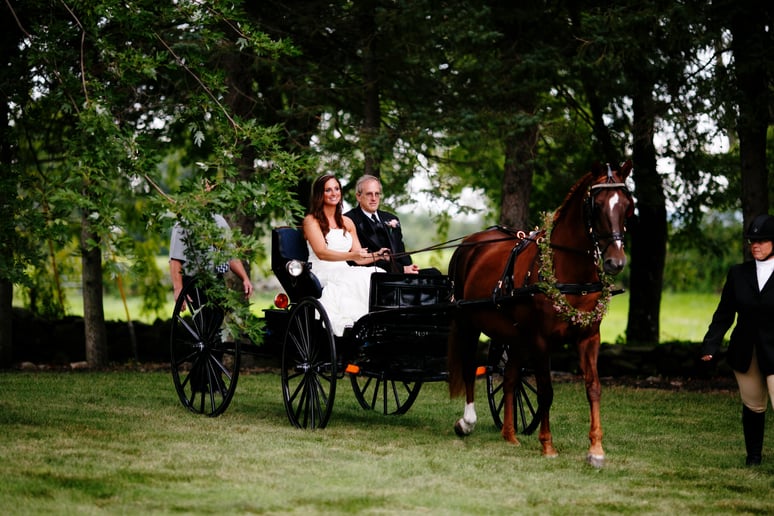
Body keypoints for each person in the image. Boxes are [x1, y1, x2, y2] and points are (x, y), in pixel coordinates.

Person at [701, 214, 774, 466]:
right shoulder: (738, 274)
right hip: (745, 351)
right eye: (752, 240)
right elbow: (723, 315)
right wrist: (711, 344)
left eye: (762, 240)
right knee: (754, 406)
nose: (756, 245)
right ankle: (753, 457)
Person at [303, 174, 388, 336]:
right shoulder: (311, 221)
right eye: (328, 190)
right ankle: (351, 325)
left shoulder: (347, 222)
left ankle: (374, 324)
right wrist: (352, 256)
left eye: (336, 189)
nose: (334, 193)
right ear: (320, 194)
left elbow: (360, 257)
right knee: (352, 280)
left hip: (343, 269)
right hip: (322, 270)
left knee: (377, 273)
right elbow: (321, 253)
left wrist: (378, 255)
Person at [345, 174, 419, 274]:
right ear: (358, 196)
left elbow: (400, 251)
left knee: (434, 274)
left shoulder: (391, 218)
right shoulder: (349, 219)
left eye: (377, 194)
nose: (374, 198)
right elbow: (358, 260)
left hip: (400, 274)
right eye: (369, 194)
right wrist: (402, 270)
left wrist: (409, 267)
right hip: (372, 275)